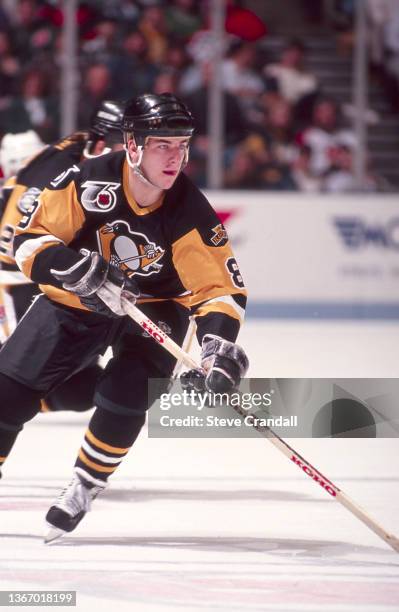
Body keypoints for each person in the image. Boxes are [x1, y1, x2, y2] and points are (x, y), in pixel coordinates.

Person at [0, 93, 248, 540]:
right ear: (132, 145)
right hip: (77, 298)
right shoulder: (87, 179)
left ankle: (85, 484)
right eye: (162, 146)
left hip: (153, 307)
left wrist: (217, 348)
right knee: (7, 389)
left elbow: (220, 290)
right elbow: (29, 239)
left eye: (182, 145)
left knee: (128, 392)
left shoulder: (190, 210)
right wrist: (70, 268)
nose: (176, 158)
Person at [0, 100, 125, 412]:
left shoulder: (90, 158)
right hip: (18, 282)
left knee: (82, 390)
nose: (130, 159)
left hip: (47, 278)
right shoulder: (51, 171)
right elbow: (11, 250)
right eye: (123, 147)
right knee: (24, 378)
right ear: (100, 144)